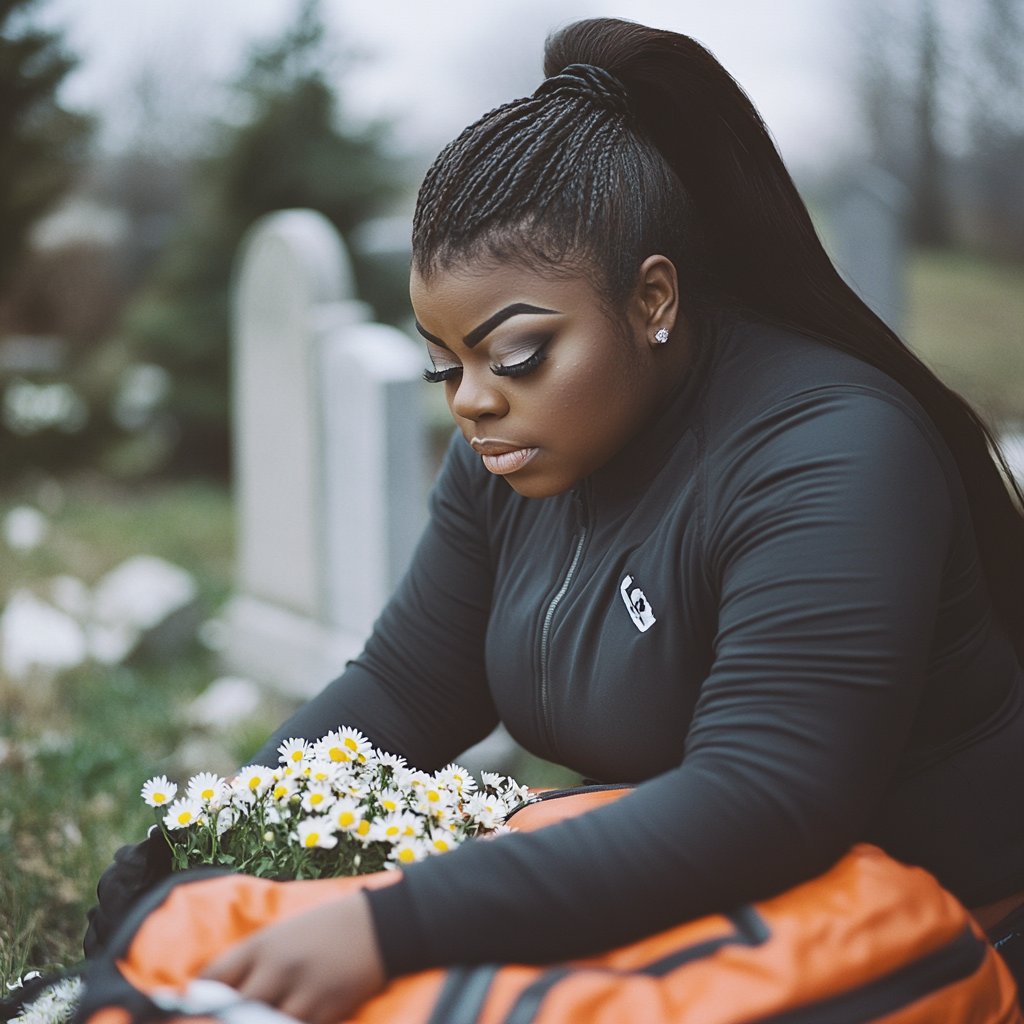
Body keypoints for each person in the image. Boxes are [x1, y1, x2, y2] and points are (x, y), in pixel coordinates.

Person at [86, 17, 1024, 1023]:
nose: (471, 400)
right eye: (445, 363)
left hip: (917, 931)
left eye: (516, 354)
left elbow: (764, 797)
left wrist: (388, 925)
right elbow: (404, 688)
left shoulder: (833, 450)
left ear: (652, 297)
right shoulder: (508, 447)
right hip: (703, 882)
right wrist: (205, 838)